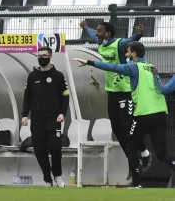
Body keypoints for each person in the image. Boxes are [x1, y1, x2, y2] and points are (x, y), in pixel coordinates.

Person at [72, 41, 175, 188]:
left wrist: (89, 62)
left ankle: (136, 182)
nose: (126, 55)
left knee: (130, 145)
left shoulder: (133, 66)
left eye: (127, 52)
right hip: (161, 114)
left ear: (133, 53)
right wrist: (122, 72)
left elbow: (111, 66)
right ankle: (150, 163)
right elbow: (146, 83)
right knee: (161, 152)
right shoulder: (150, 67)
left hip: (144, 114)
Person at [79, 21, 151, 178]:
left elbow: (129, 40)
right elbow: (92, 34)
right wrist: (85, 28)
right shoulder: (100, 44)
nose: (96, 34)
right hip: (111, 92)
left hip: (125, 91)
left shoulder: (119, 45)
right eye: (96, 31)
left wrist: (138, 34)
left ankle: (145, 153)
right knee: (117, 130)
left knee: (127, 127)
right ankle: (134, 162)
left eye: (100, 31)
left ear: (108, 33)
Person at [22, 46, 69, 187]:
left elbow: (65, 96)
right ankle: (47, 179)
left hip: (54, 118)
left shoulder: (58, 76)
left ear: (50, 56)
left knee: (55, 148)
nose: (41, 58)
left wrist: (62, 113)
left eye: (44, 56)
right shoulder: (32, 76)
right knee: (39, 149)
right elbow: (27, 97)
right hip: (37, 118)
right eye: (39, 56)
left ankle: (57, 175)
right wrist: (24, 115)